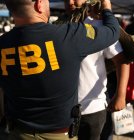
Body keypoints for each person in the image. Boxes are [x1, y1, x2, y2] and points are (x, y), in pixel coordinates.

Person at [0, 0, 120, 140]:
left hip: (17, 133)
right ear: (39, 4)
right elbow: (113, 30)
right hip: (59, 135)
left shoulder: (2, 44)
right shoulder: (69, 34)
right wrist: (106, 8)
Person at [59, 0, 130, 140]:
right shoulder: (57, 27)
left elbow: (121, 61)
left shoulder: (99, 27)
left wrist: (120, 95)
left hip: (92, 109)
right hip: (61, 111)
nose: (70, 2)